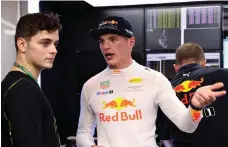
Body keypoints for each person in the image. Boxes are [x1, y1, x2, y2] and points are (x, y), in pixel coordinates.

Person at [75, 16, 226, 147]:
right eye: (102, 41)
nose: (106, 46)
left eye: (113, 40)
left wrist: (195, 107)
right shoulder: (91, 86)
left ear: (131, 42)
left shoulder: (154, 79)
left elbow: (187, 126)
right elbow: (83, 132)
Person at [1, 12, 62, 147]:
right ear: (22, 44)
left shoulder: (17, 85)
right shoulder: (22, 89)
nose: (54, 50)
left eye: (55, 44)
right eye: (45, 43)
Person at [157, 43, 228, 147]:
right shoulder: (224, 75)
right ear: (204, 63)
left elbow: (165, 138)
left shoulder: (165, 89)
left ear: (175, 68)